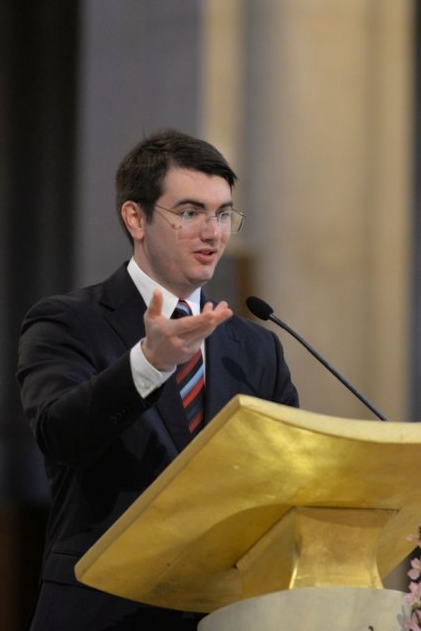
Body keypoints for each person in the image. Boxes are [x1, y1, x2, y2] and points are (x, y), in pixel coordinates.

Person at [17, 129, 300, 630]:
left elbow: (288, 473)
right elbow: (60, 434)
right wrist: (149, 363)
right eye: (190, 213)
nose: (213, 233)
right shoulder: (66, 322)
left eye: (223, 214)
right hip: (106, 611)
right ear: (136, 217)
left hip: (226, 614)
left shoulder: (257, 349)